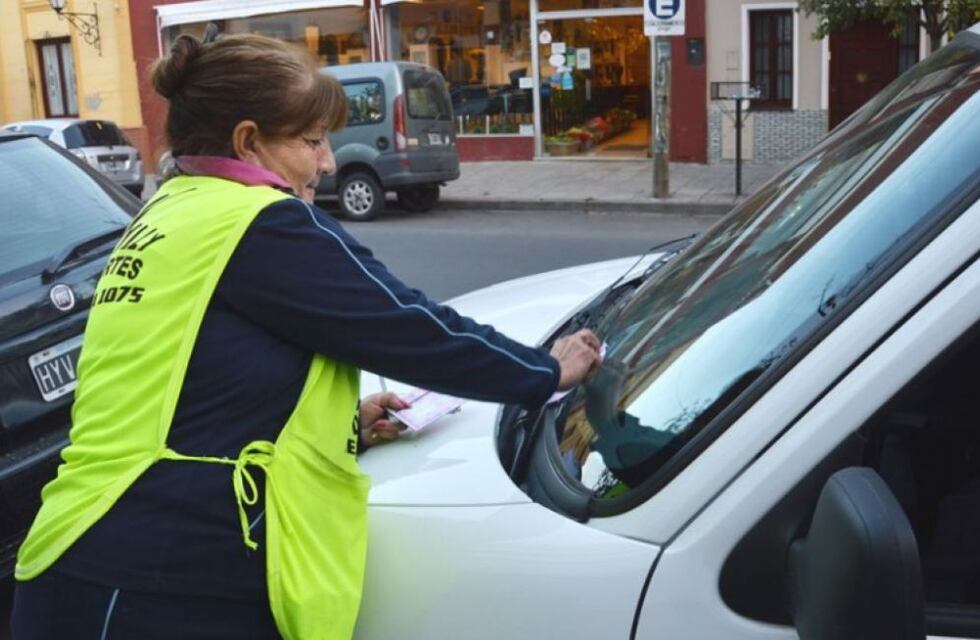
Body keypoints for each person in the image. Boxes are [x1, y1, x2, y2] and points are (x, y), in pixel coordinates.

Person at [11, 32, 601, 640]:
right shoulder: (259, 223)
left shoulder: (170, 210)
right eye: (312, 140)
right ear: (249, 141)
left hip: (97, 559)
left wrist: (343, 427)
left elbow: (189, 391)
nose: (327, 162)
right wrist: (544, 372)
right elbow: (411, 326)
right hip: (154, 585)